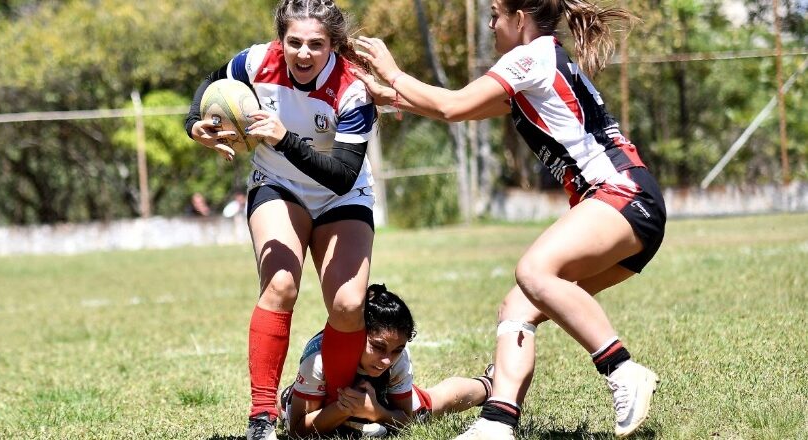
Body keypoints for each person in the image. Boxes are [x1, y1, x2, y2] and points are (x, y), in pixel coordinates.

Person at [351, 0, 666, 438]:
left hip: (621, 195)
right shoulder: (542, 61)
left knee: (534, 271)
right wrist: (390, 95)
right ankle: (498, 423)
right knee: (517, 306)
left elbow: (453, 106)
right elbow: (458, 110)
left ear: (520, 20)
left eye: (496, 14)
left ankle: (623, 369)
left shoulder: (530, 56)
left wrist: (393, 72)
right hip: (630, 204)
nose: (491, 24)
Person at [184, 1, 378, 439]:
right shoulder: (257, 61)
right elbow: (212, 81)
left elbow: (342, 174)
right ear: (281, 40)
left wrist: (285, 139)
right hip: (278, 184)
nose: (303, 53)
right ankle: (262, 419)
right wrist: (194, 123)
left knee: (348, 305)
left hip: (342, 194)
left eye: (316, 44)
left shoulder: (352, 87)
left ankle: (339, 410)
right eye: (294, 42)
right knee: (280, 286)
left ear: (333, 44)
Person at [279, 284, 494, 438]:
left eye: (397, 350)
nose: (386, 360)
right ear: (358, 334)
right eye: (378, 347)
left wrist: (376, 412)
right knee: (283, 406)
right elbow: (297, 431)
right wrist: (345, 408)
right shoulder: (318, 358)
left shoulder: (398, 358)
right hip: (324, 402)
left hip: (381, 401)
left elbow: (407, 419)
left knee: (435, 403)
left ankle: (491, 384)